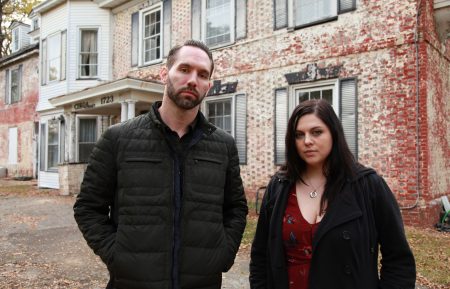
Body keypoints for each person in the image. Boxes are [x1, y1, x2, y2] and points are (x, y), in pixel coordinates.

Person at [73, 40, 248, 289]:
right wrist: (117, 255)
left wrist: (223, 253)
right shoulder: (118, 139)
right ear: (165, 73)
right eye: (184, 69)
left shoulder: (223, 145)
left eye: (202, 74)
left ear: (209, 85)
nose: (192, 80)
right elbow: (88, 208)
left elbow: (236, 208)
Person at [249, 99, 416, 289]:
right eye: (299, 135)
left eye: (316, 132)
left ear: (333, 134)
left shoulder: (367, 186)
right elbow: (260, 256)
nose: (307, 141)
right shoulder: (278, 187)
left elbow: (399, 261)